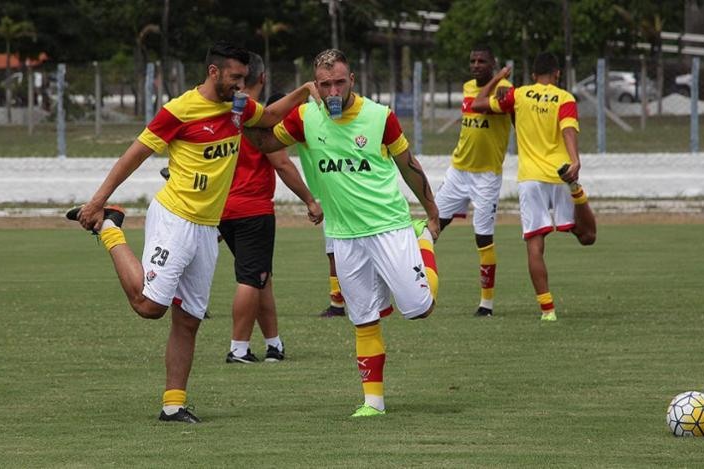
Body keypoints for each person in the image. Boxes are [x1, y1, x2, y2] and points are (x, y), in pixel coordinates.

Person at [66, 41, 321, 424]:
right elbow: (134, 155)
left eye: (245, 79)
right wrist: (97, 201)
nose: (241, 85)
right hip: (175, 218)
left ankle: (173, 405)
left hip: (206, 228)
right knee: (149, 306)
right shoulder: (180, 109)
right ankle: (111, 227)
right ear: (214, 72)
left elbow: (267, 117)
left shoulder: (238, 107)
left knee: (188, 319)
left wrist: (303, 92)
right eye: (235, 77)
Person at [245, 49, 440, 417]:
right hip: (344, 235)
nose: (332, 91)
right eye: (324, 85)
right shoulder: (306, 117)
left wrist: (431, 211)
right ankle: (373, 403)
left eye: (339, 82)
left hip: (390, 227)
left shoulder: (379, 117)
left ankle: (423, 241)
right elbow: (265, 142)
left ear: (352, 80)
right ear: (315, 85)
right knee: (363, 318)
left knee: (420, 308)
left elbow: (408, 165)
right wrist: (241, 114)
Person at [472, 51, 597, 321]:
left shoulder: (517, 95)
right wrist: (575, 161)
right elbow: (568, 129)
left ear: (532, 75)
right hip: (560, 174)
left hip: (530, 179)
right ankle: (577, 190)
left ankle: (547, 310)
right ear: (558, 74)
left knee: (535, 244)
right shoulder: (564, 98)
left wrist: (498, 77)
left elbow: (478, 103)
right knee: (587, 237)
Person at [218, 53, 322, 364]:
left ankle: (274, 344)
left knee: (261, 276)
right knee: (251, 279)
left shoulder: (223, 110)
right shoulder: (257, 117)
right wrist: (310, 199)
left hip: (224, 209)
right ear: (262, 78)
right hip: (252, 208)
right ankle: (238, 348)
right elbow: (281, 163)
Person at [435, 45, 511, 317]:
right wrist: (498, 77)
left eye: (482, 61)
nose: (476, 64)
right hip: (458, 171)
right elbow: (477, 102)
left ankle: (486, 304)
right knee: (431, 226)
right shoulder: (469, 87)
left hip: (486, 176)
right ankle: (419, 290)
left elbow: (489, 104)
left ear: (492, 63)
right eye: (473, 61)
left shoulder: (505, 90)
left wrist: (502, 81)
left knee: (483, 238)